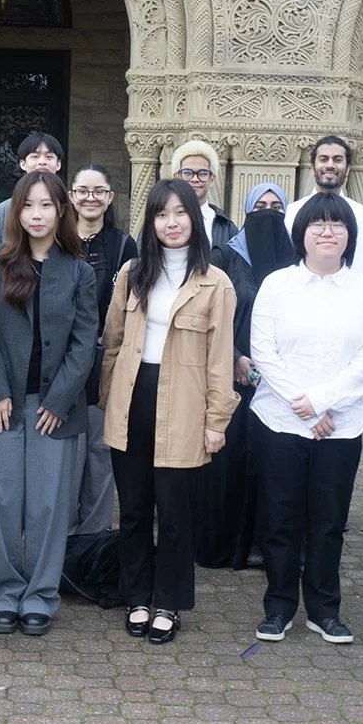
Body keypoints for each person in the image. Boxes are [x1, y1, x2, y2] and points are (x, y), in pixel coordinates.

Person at [101, 180, 239, 646]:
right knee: (135, 509)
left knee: (176, 514)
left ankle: (169, 602)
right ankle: (137, 596)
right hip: (133, 398)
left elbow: (222, 358)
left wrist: (217, 421)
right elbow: (113, 344)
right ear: (151, 221)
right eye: (162, 214)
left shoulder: (215, 282)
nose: (173, 222)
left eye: (182, 213)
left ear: (196, 219)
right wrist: (109, 401)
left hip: (184, 405)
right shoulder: (132, 273)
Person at [0, 171, 99, 636]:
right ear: (16, 212)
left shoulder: (80, 270)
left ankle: (40, 593)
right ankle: (0, 591)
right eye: (28, 205)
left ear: (62, 210)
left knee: (48, 503)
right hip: (1, 401)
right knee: (0, 498)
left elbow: (85, 344)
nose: (36, 214)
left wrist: (60, 399)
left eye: (46, 205)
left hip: (52, 405)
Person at [247, 193, 363, 645]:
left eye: (337, 224)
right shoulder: (277, 285)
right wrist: (302, 404)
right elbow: (263, 350)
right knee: (281, 519)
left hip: (341, 427)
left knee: (328, 522)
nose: (328, 231)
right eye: (317, 224)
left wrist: (324, 403)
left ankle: (324, 609)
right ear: (300, 233)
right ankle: (279, 606)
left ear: (350, 235)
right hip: (280, 421)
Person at [197, 182, 295, 570]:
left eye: (276, 206)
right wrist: (235, 357)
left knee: (274, 462)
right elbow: (208, 315)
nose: (268, 213)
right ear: (246, 210)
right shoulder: (224, 255)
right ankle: (226, 545)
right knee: (232, 461)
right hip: (231, 375)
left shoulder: (295, 260)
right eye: (260, 206)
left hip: (281, 382)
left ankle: (267, 544)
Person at [69, 163, 136, 536]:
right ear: (72, 197)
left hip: (107, 359)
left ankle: (93, 534)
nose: (90, 197)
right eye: (83, 190)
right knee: (67, 452)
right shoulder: (58, 241)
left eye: (99, 191)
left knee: (99, 449)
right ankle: (60, 536)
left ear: (109, 197)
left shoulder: (126, 245)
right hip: (63, 360)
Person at [286, 136, 363, 299]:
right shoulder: (292, 213)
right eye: (323, 159)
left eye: (337, 159)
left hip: (352, 311)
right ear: (313, 167)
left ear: (347, 168)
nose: (330, 165)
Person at [0, 131, 64, 238]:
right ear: (23, 164)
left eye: (49, 157)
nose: (42, 162)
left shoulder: (68, 207)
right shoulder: (3, 211)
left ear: (58, 164)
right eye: (35, 156)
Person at [169, 139, 237, 247]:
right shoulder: (161, 220)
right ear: (176, 176)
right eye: (187, 173)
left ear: (212, 179)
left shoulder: (225, 226)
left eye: (203, 173)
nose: (195, 179)